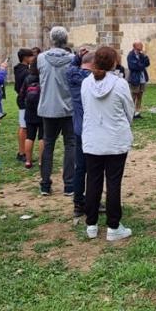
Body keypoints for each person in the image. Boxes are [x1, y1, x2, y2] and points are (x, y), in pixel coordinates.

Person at [80, 46, 135, 242]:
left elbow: (87, 108)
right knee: (113, 182)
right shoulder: (120, 84)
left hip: (93, 138)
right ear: (114, 63)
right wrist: (124, 125)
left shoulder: (86, 84)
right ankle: (113, 226)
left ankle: (91, 224)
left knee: (93, 181)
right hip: (114, 139)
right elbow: (129, 109)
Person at [37, 26, 78, 196]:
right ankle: (69, 184)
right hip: (67, 108)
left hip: (48, 107)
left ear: (52, 40)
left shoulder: (41, 58)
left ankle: (45, 184)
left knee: (48, 144)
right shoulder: (72, 59)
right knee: (70, 144)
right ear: (66, 40)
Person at [66, 49, 93, 219]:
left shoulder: (72, 76)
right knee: (94, 168)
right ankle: (91, 201)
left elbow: (70, 68)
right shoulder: (92, 80)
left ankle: (78, 202)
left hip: (79, 128)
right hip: (92, 128)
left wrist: (78, 57)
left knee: (80, 167)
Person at [18, 67, 43, 170]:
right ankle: (42, 161)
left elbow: (21, 95)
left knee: (30, 137)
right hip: (42, 110)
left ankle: (28, 161)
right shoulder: (43, 77)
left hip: (29, 111)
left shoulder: (27, 79)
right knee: (42, 137)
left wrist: (24, 106)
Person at [12, 48, 34, 163]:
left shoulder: (19, 69)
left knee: (23, 126)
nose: (32, 58)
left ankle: (23, 151)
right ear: (25, 57)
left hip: (22, 99)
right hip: (24, 100)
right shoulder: (24, 71)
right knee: (23, 127)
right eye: (31, 56)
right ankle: (21, 152)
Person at [126, 41, 150, 119]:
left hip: (142, 78)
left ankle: (137, 112)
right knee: (133, 96)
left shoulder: (142, 55)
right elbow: (133, 67)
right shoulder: (131, 55)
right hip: (134, 78)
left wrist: (146, 57)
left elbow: (147, 64)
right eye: (140, 45)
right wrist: (141, 65)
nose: (142, 46)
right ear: (135, 46)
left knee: (140, 95)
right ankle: (131, 113)